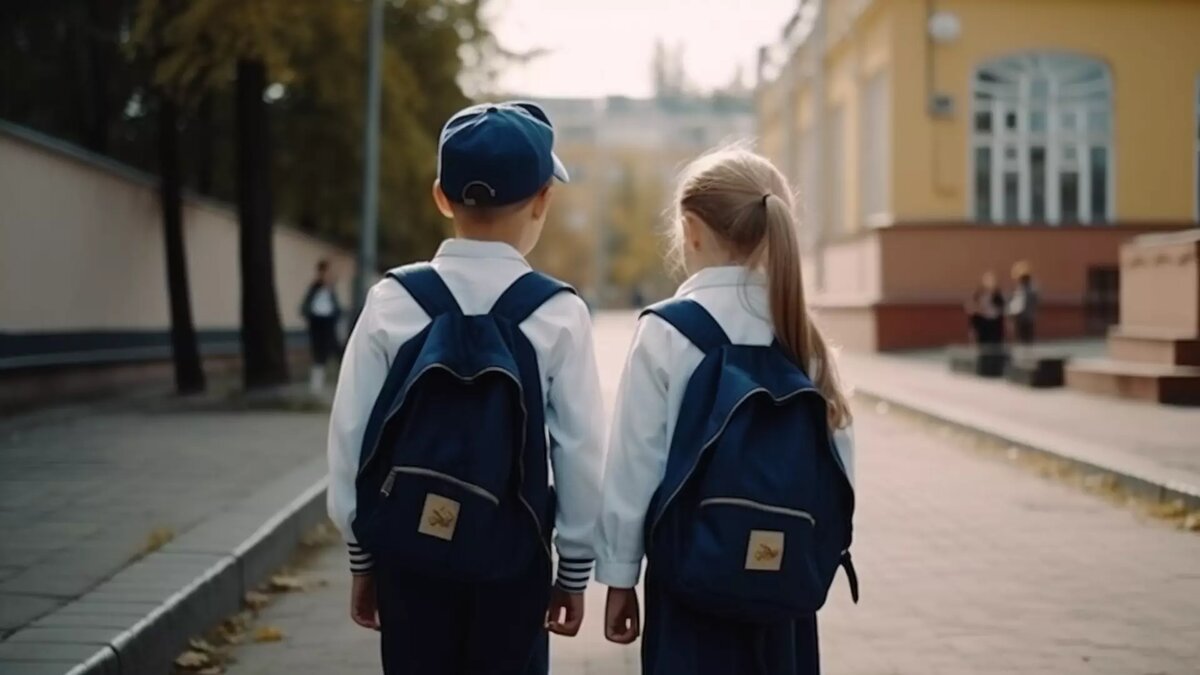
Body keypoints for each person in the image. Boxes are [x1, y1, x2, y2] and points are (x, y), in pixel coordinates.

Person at [326, 101, 605, 675]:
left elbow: (352, 436)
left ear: (440, 196)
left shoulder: (393, 300)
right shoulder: (556, 313)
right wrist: (573, 570)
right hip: (513, 557)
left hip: (408, 554)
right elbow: (580, 452)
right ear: (542, 201)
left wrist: (362, 558)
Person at [596, 148, 856, 675]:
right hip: (784, 591)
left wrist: (620, 576)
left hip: (688, 582)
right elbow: (840, 467)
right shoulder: (802, 336)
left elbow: (634, 465)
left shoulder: (667, 331)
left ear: (690, 230)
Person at [301, 259, 343, 393]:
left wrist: (337, 315)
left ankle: (341, 381)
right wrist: (310, 315)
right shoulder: (314, 288)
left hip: (329, 322)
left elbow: (336, 306)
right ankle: (316, 384)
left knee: (336, 350)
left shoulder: (331, 289)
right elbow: (306, 305)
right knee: (319, 351)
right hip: (317, 322)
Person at [966, 271, 1005, 345]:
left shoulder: (997, 295)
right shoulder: (979, 293)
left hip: (994, 324)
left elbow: (1001, 309)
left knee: (995, 345)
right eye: (987, 280)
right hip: (983, 323)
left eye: (991, 281)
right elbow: (973, 310)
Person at [1008, 260, 1039, 344]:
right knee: (1027, 342)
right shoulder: (1032, 287)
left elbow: (1018, 306)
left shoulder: (1024, 289)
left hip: (1023, 319)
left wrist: (1011, 312)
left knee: (1023, 342)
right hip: (1028, 319)